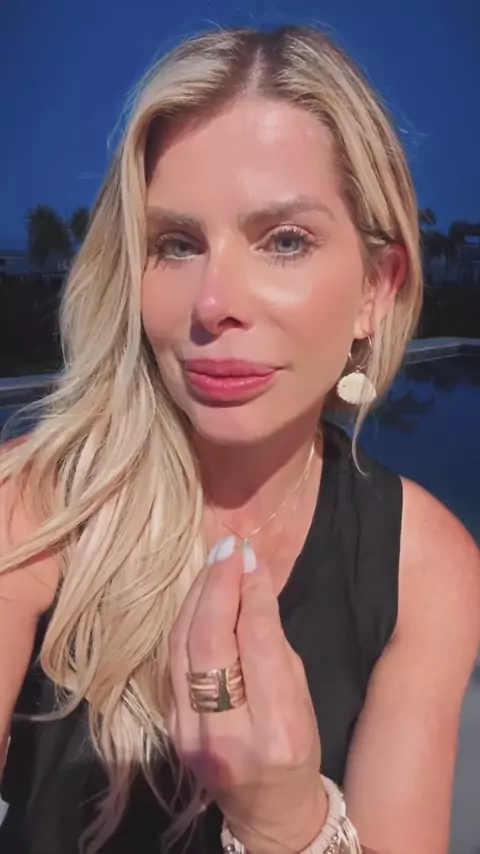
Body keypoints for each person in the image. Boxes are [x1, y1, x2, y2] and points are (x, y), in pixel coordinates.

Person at [0, 25, 479, 854]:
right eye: (176, 244)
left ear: (377, 287)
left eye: (285, 241)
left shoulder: (426, 566)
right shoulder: (36, 506)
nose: (213, 302)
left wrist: (286, 821)